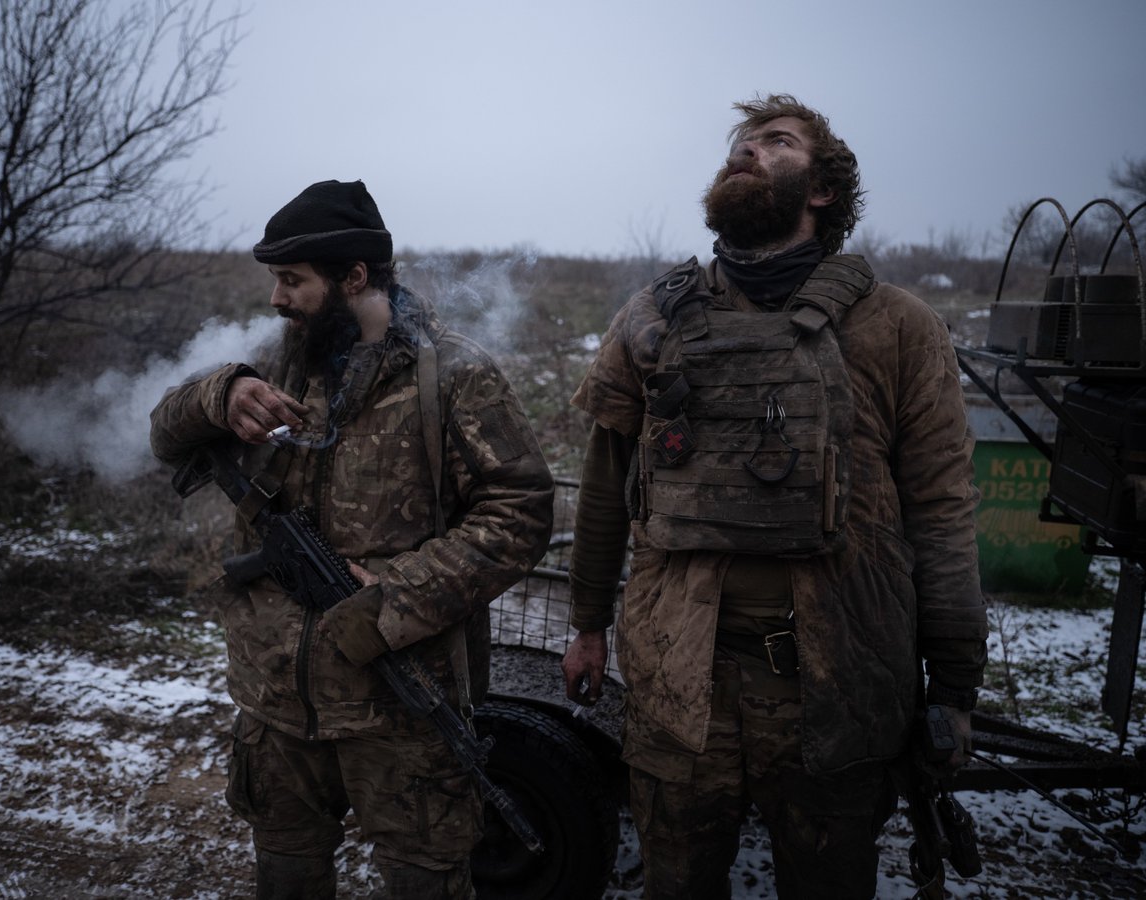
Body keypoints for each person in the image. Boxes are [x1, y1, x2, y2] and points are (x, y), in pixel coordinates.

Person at [560, 94, 988, 898]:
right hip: (680, 686)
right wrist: (586, 625)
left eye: (776, 141)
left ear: (822, 190)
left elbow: (940, 510)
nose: (746, 151)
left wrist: (955, 687)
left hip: (833, 688)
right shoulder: (652, 318)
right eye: (740, 143)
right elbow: (606, 486)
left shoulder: (897, 326)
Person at [151, 179, 554, 899]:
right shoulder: (274, 360)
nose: (277, 298)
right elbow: (163, 431)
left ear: (355, 277)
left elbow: (520, 511)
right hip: (276, 703)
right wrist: (221, 394)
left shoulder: (454, 376)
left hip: (402, 706)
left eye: (292, 281)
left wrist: (398, 594)